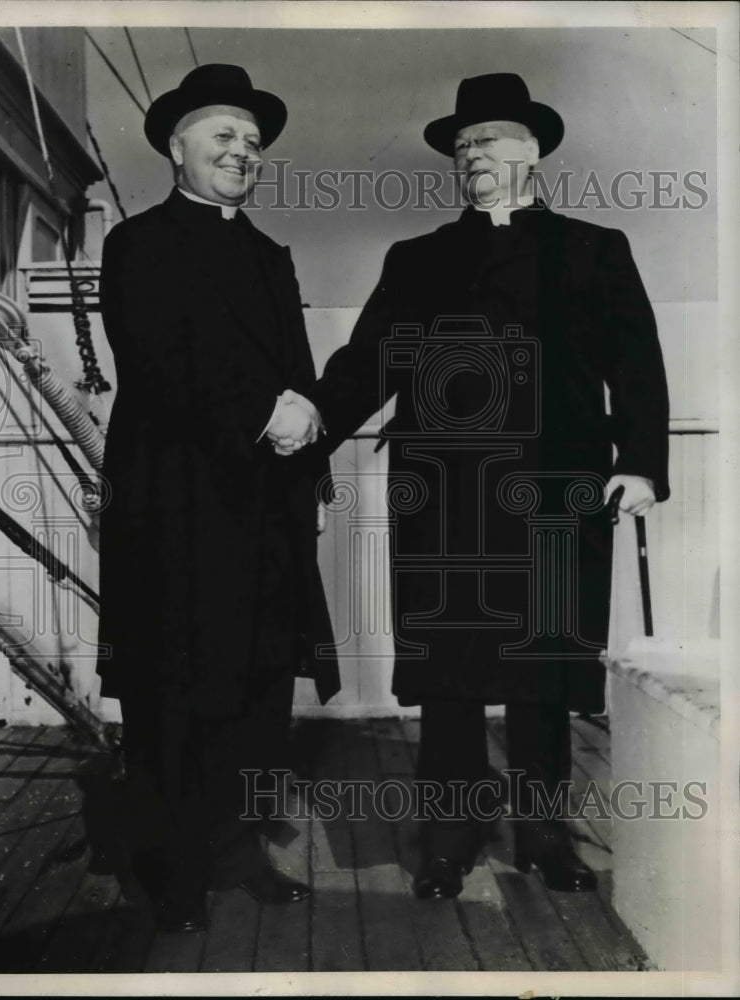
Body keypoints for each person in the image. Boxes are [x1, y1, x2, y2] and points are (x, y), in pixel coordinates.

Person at [272, 73, 669, 899]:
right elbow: (369, 362)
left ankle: (545, 835)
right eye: (461, 147)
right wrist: (310, 416)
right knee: (447, 673)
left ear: (533, 150)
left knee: (545, 669)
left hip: (555, 494)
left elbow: (636, 364)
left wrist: (639, 462)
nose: (471, 156)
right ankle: (448, 837)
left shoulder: (595, 248)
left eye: (487, 140)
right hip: (445, 494)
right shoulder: (417, 259)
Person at [95, 64, 339, 932]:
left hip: (266, 505)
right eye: (224, 135)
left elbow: (298, 372)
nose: (243, 152)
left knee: (256, 685)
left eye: (253, 141)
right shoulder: (136, 244)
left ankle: (238, 851)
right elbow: (156, 363)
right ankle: (172, 873)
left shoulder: (269, 255)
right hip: (174, 503)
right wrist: (264, 415)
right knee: (172, 689)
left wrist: (312, 451)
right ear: (176, 147)